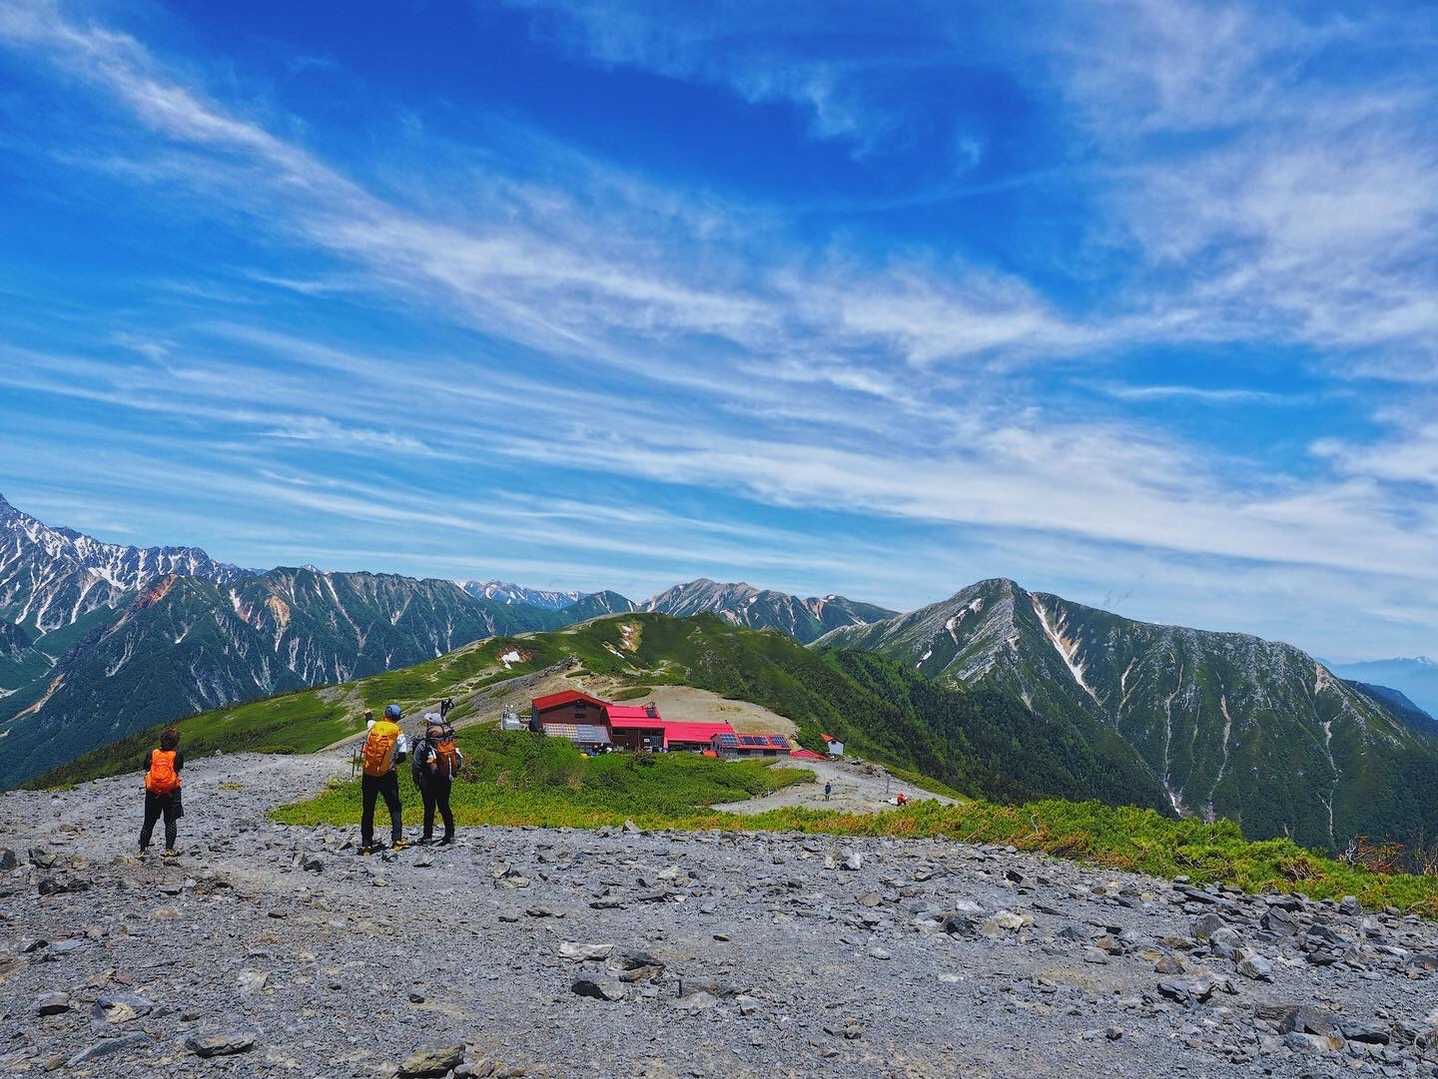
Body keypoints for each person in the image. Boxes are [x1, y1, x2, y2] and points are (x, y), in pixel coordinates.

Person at [359, 703, 410, 853]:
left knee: (368, 808)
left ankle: (367, 844)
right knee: (394, 807)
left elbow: (369, 720)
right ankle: (396, 840)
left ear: (384, 715)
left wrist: (368, 714)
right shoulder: (397, 731)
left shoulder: (374, 726)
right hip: (388, 774)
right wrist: (390, 762)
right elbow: (402, 756)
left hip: (369, 773)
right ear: (398, 718)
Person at [411, 710, 463, 845]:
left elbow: (416, 764)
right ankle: (450, 835)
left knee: (429, 808)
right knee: (444, 806)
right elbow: (457, 762)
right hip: (445, 778)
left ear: (431, 725)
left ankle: (427, 837)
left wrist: (416, 779)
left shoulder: (424, 744)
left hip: (428, 780)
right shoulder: (449, 742)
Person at [140, 727, 184, 857]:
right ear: (176, 742)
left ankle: (142, 850)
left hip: (152, 792)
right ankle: (169, 849)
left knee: (148, 822)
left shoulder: (152, 753)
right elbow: (178, 768)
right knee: (170, 821)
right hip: (171, 792)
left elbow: (146, 767)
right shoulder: (177, 755)